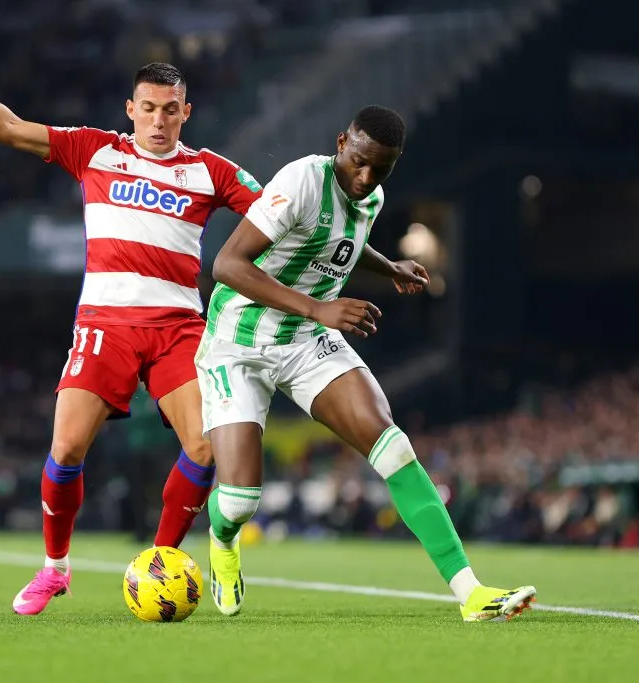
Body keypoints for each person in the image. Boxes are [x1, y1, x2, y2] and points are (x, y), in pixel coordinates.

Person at [0, 56, 263, 615]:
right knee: (68, 446)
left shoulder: (210, 171)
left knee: (203, 446)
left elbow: (277, 213)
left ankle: (160, 560)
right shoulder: (97, 149)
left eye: (171, 111)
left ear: (186, 112)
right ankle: (55, 569)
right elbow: (7, 127)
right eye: (148, 109)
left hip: (178, 327)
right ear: (131, 109)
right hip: (105, 323)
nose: (159, 121)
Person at [196, 105, 537, 622]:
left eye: (381, 168)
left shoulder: (370, 194)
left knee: (394, 447)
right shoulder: (301, 181)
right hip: (238, 340)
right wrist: (318, 307)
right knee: (240, 498)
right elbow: (226, 264)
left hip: (306, 339)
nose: (366, 177)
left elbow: (340, 242)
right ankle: (222, 539)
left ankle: (470, 593)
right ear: (341, 143)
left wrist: (385, 264)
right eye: (359, 162)